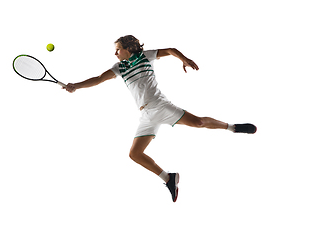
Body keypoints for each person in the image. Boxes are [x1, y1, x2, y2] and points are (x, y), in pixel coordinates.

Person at [64, 35, 257, 202]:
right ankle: (169, 178)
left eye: (118, 50)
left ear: (128, 49)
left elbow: (171, 50)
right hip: (146, 115)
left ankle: (233, 127)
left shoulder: (145, 56)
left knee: (198, 122)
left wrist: (184, 59)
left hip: (160, 106)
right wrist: (75, 85)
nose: (115, 54)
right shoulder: (120, 67)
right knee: (134, 154)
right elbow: (98, 79)